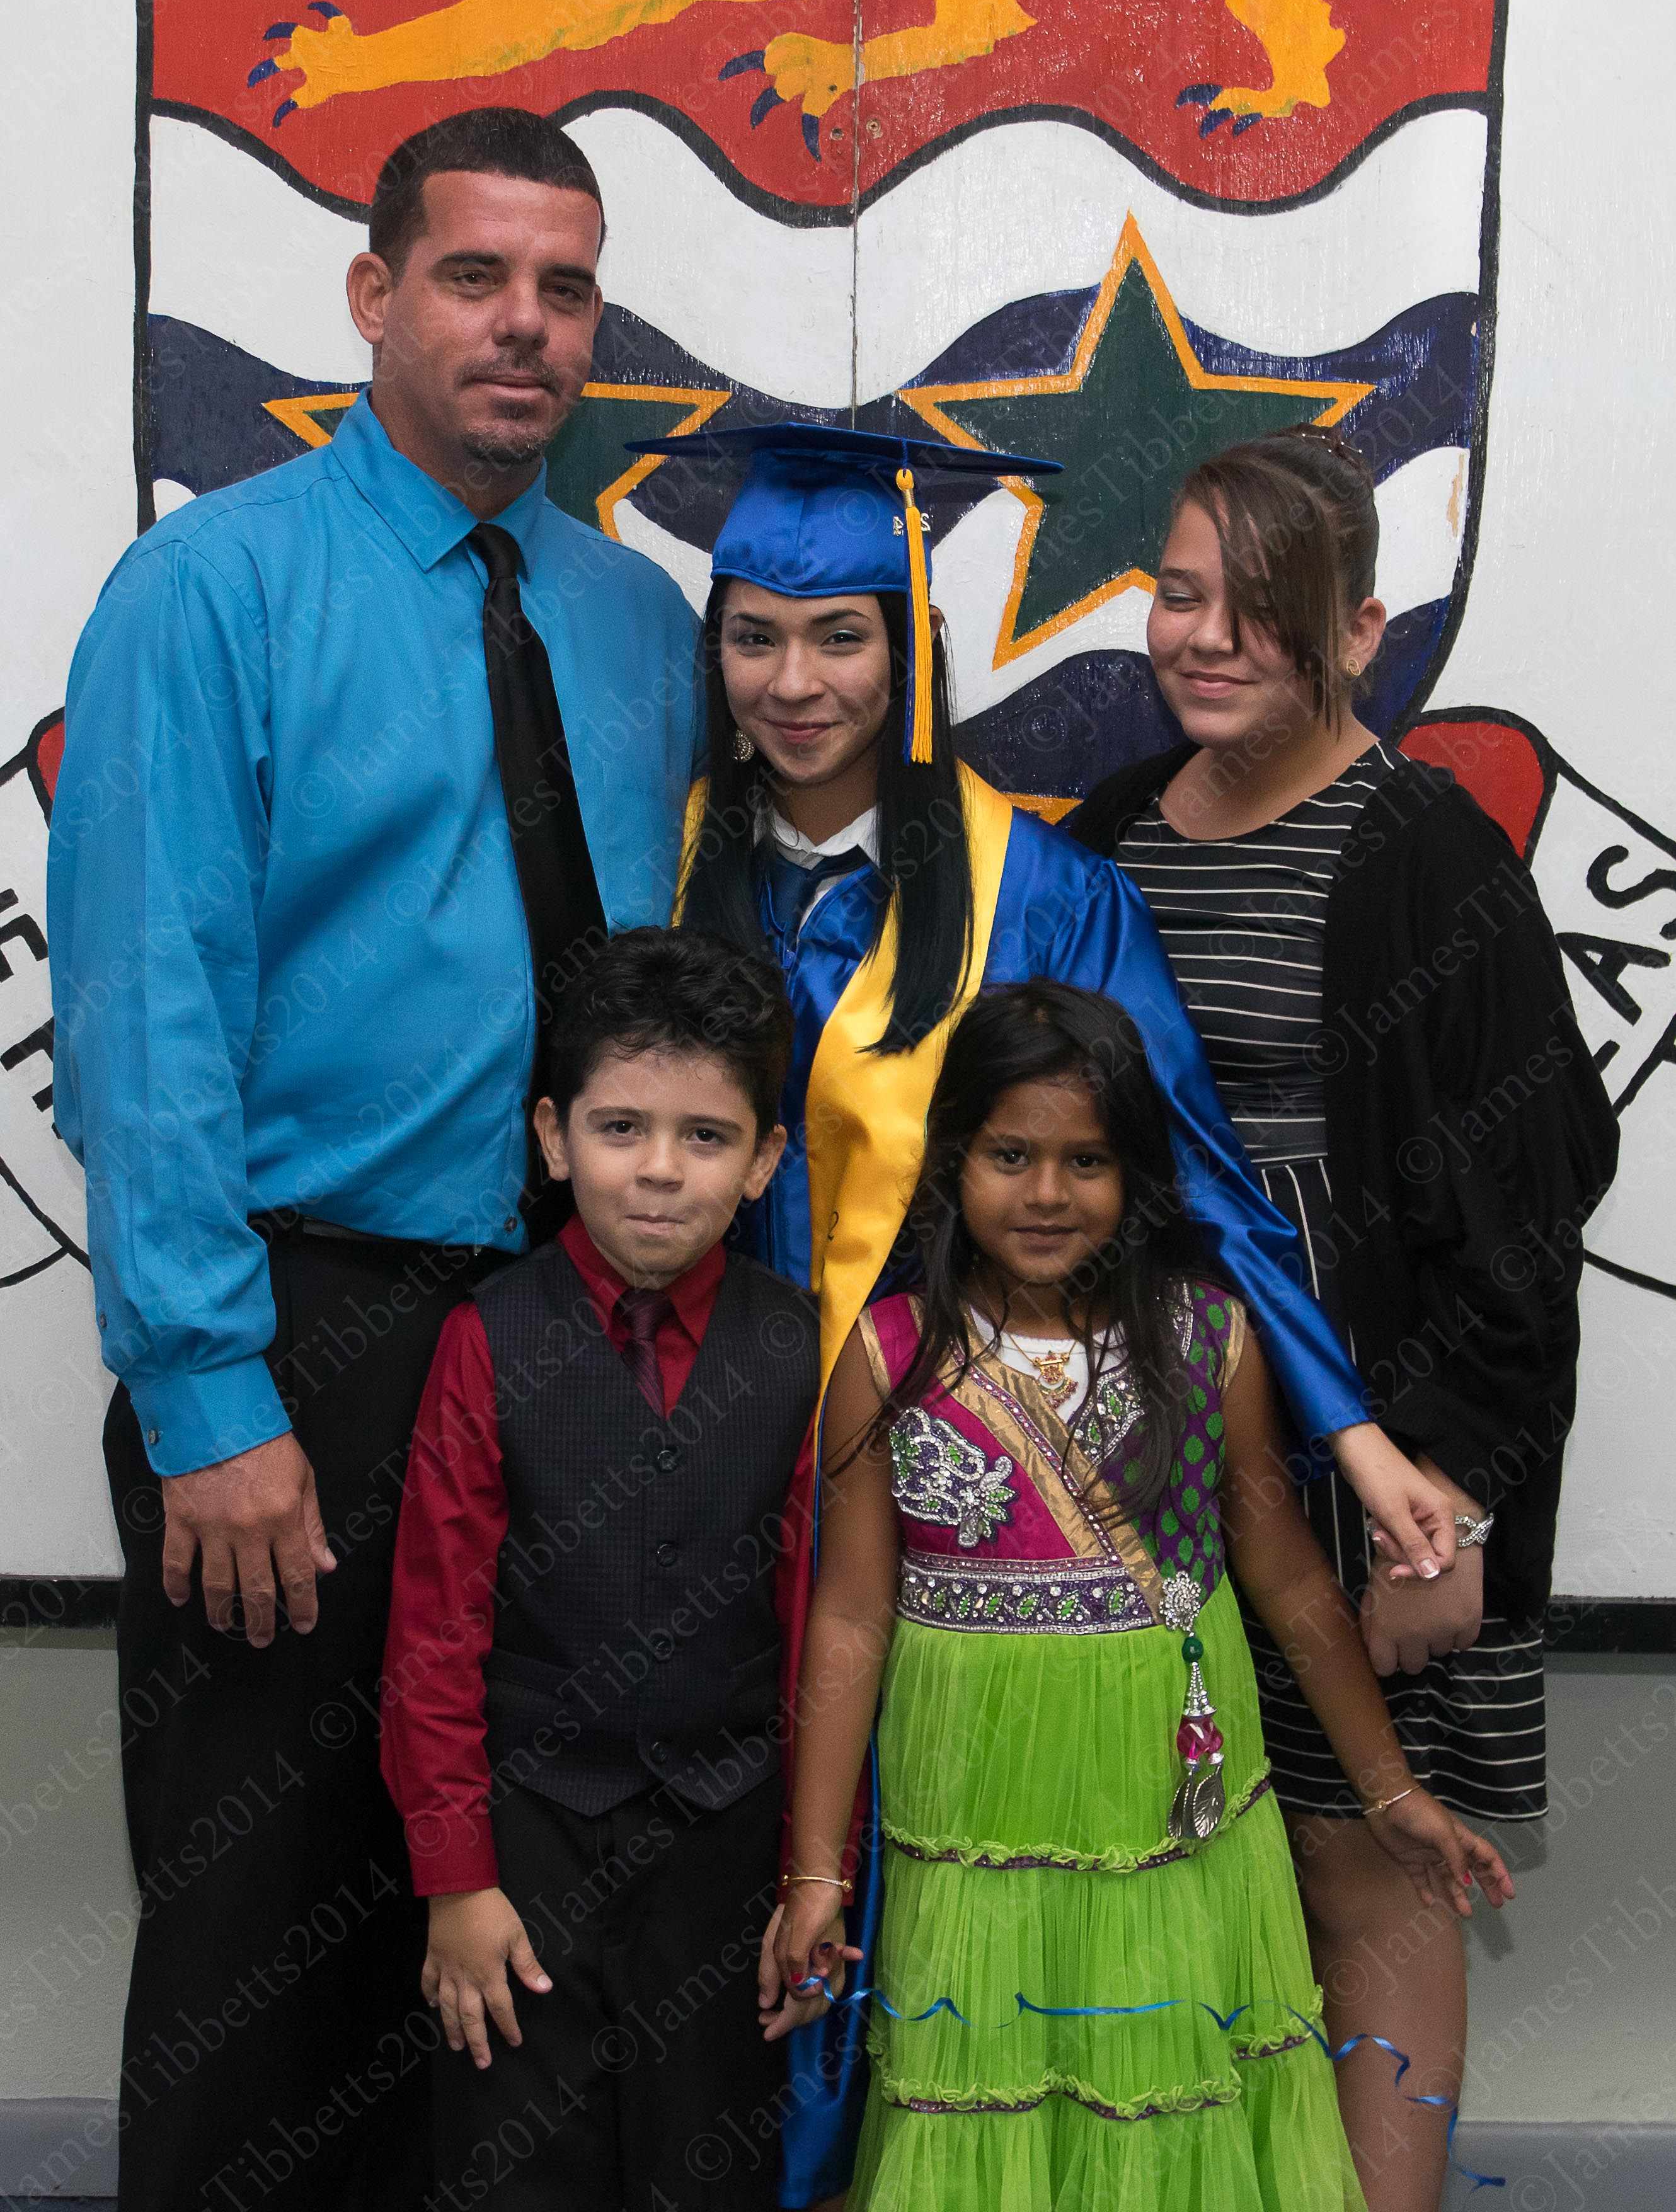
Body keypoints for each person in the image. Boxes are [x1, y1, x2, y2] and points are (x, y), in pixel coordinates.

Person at [632, 418, 1461, 2204]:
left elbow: (1197, 1190)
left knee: (933, 1886)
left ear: (912, 651)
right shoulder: (655, 859)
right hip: (687, 1476)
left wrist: (1349, 1428)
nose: (796, 681)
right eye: (754, 634)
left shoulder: (1044, 891)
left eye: (843, 634)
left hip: (941, 1490)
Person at [48, 110, 703, 2212]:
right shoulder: (211, 591)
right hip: (307, 1337)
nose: (526, 326)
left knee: (515, 1911)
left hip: (566, 1337)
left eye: (565, 289)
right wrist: (208, 1394)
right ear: (371, 294)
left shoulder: (635, 620)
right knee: (273, 1930)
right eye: (474, 277)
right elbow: (144, 1013)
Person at [1067, 428, 1618, 2212]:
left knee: (1357, 1854)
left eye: (1266, 605)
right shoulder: (1107, 833)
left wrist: (1442, 1498)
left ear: (1363, 629)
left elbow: (1525, 1215)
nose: (1208, 637)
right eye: (1179, 593)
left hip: (1354, 1456)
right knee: (1160, 1839)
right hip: (1131, 1440)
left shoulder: (1424, 856)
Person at [762, 980, 1513, 2209]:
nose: (1047, 1193)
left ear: (1138, 1175)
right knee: (992, 2109)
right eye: (1011, 1155)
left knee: (1167, 2103)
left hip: (1172, 1812)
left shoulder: (1208, 1339)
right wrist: (812, 1875)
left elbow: (1286, 1577)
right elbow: (848, 1615)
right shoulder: (888, 1355)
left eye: (1087, 1160)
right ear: (951, 1161)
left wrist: (1389, 1789)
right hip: (975, 1818)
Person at [378, 928, 820, 2211]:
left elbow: (817, 1628)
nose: (660, 1171)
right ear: (553, 1136)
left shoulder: (800, 1346)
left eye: (706, 1136)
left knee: (709, 2162)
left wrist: (812, 1868)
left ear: (765, 1160)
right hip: (526, 1844)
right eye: (621, 1128)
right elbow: (435, 1626)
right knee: (520, 2162)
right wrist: (457, 1877)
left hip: (727, 1844)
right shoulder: (488, 1334)